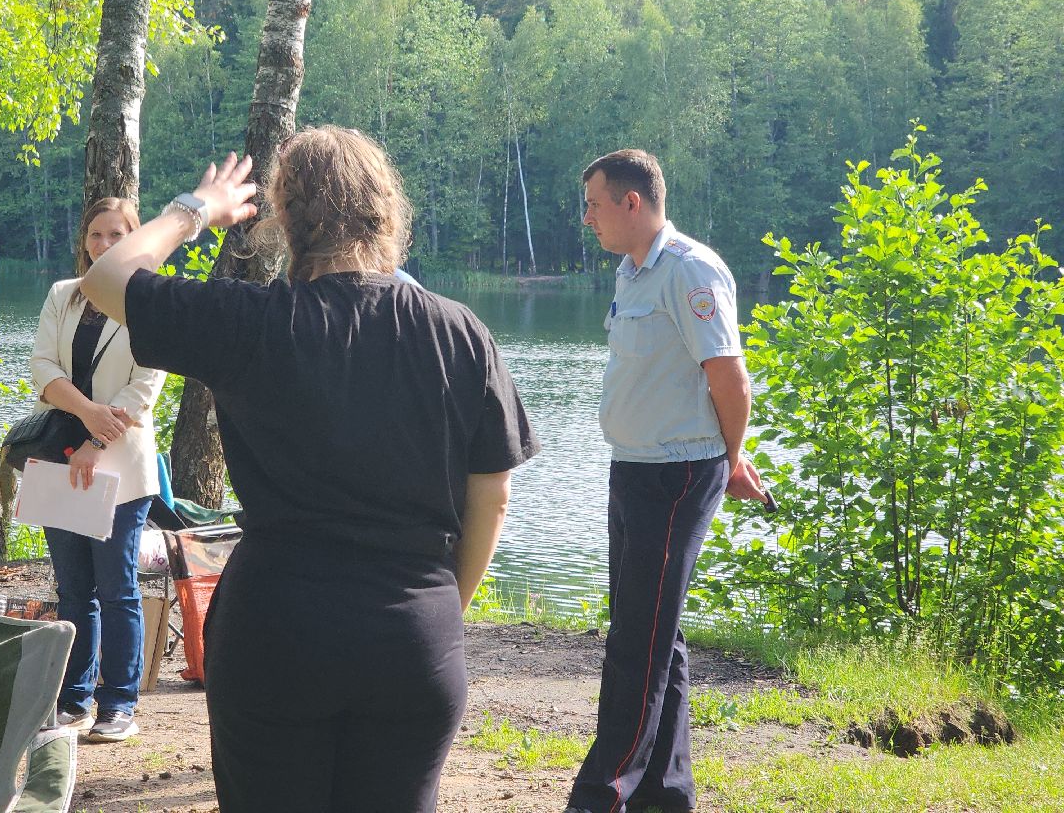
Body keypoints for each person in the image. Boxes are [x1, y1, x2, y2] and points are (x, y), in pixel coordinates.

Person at [78, 128, 538, 813]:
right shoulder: (458, 330)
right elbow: (491, 498)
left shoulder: (252, 322)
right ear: (387, 211)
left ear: (285, 219)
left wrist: (194, 209)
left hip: (278, 626)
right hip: (412, 628)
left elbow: (106, 277)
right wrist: (436, 612)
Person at [565, 149, 768, 813]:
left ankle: (602, 796)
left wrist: (729, 460)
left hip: (677, 475)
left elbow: (729, 379)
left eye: (593, 204)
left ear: (632, 203)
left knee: (636, 643)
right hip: (634, 470)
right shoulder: (632, 273)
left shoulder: (689, 269)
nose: (586, 218)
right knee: (656, 631)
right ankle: (665, 795)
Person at [29, 196, 167, 743]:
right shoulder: (64, 295)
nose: (105, 244)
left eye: (117, 234)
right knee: (72, 589)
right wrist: (85, 415)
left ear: (135, 240)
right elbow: (41, 367)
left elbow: (143, 389)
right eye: (96, 235)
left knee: (118, 589)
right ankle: (74, 699)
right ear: (85, 242)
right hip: (58, 460)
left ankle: (119, 705)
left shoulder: (150, 304)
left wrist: (95, 440)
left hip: (119, 469)